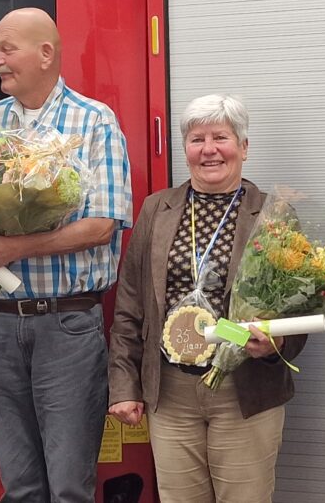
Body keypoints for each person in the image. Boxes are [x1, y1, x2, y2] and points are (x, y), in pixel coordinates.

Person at [0, 7, 132, 502]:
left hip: (66, 328)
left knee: (70, 487)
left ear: (46, 53)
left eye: (6, 49)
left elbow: (101, 225)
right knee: (20, 486)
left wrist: (8, 247)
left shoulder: (94, 122)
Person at [108, 94, 305, 503]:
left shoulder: (274, 214)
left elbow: (300, 306)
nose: (209, 149)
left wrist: (277, 345)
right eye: (197, 139)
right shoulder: (155, 210)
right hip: (170, 392)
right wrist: (124, 386)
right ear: (185, 149)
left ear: (244, 148)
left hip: (244, 390)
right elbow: (130, 305)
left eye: (221, 137)